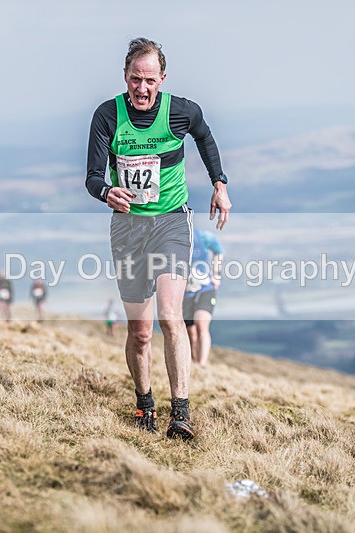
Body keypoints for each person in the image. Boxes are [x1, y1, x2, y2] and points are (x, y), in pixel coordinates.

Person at [85, 37, 231, 440]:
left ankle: (180, 413)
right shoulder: (107, 116)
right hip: (128, 228)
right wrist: (105, 192)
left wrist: (219, 184)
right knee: (141, 331)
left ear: (162, 79)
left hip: (170, 222)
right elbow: (93, 177)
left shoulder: (182, 111)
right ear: (125, 77)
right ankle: (144, 401)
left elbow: (205, 137)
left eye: (150, 80)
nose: (142, 88)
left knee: (170, 315)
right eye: (135, 79)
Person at [184, 228, 224, 368]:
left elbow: (218, 250)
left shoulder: (203, 237)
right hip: (185, 292)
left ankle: (202, 365)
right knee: (191, 333)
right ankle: (193, 363)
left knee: (201, 326)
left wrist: (216, 275)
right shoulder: (169, 237)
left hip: (205, 288)